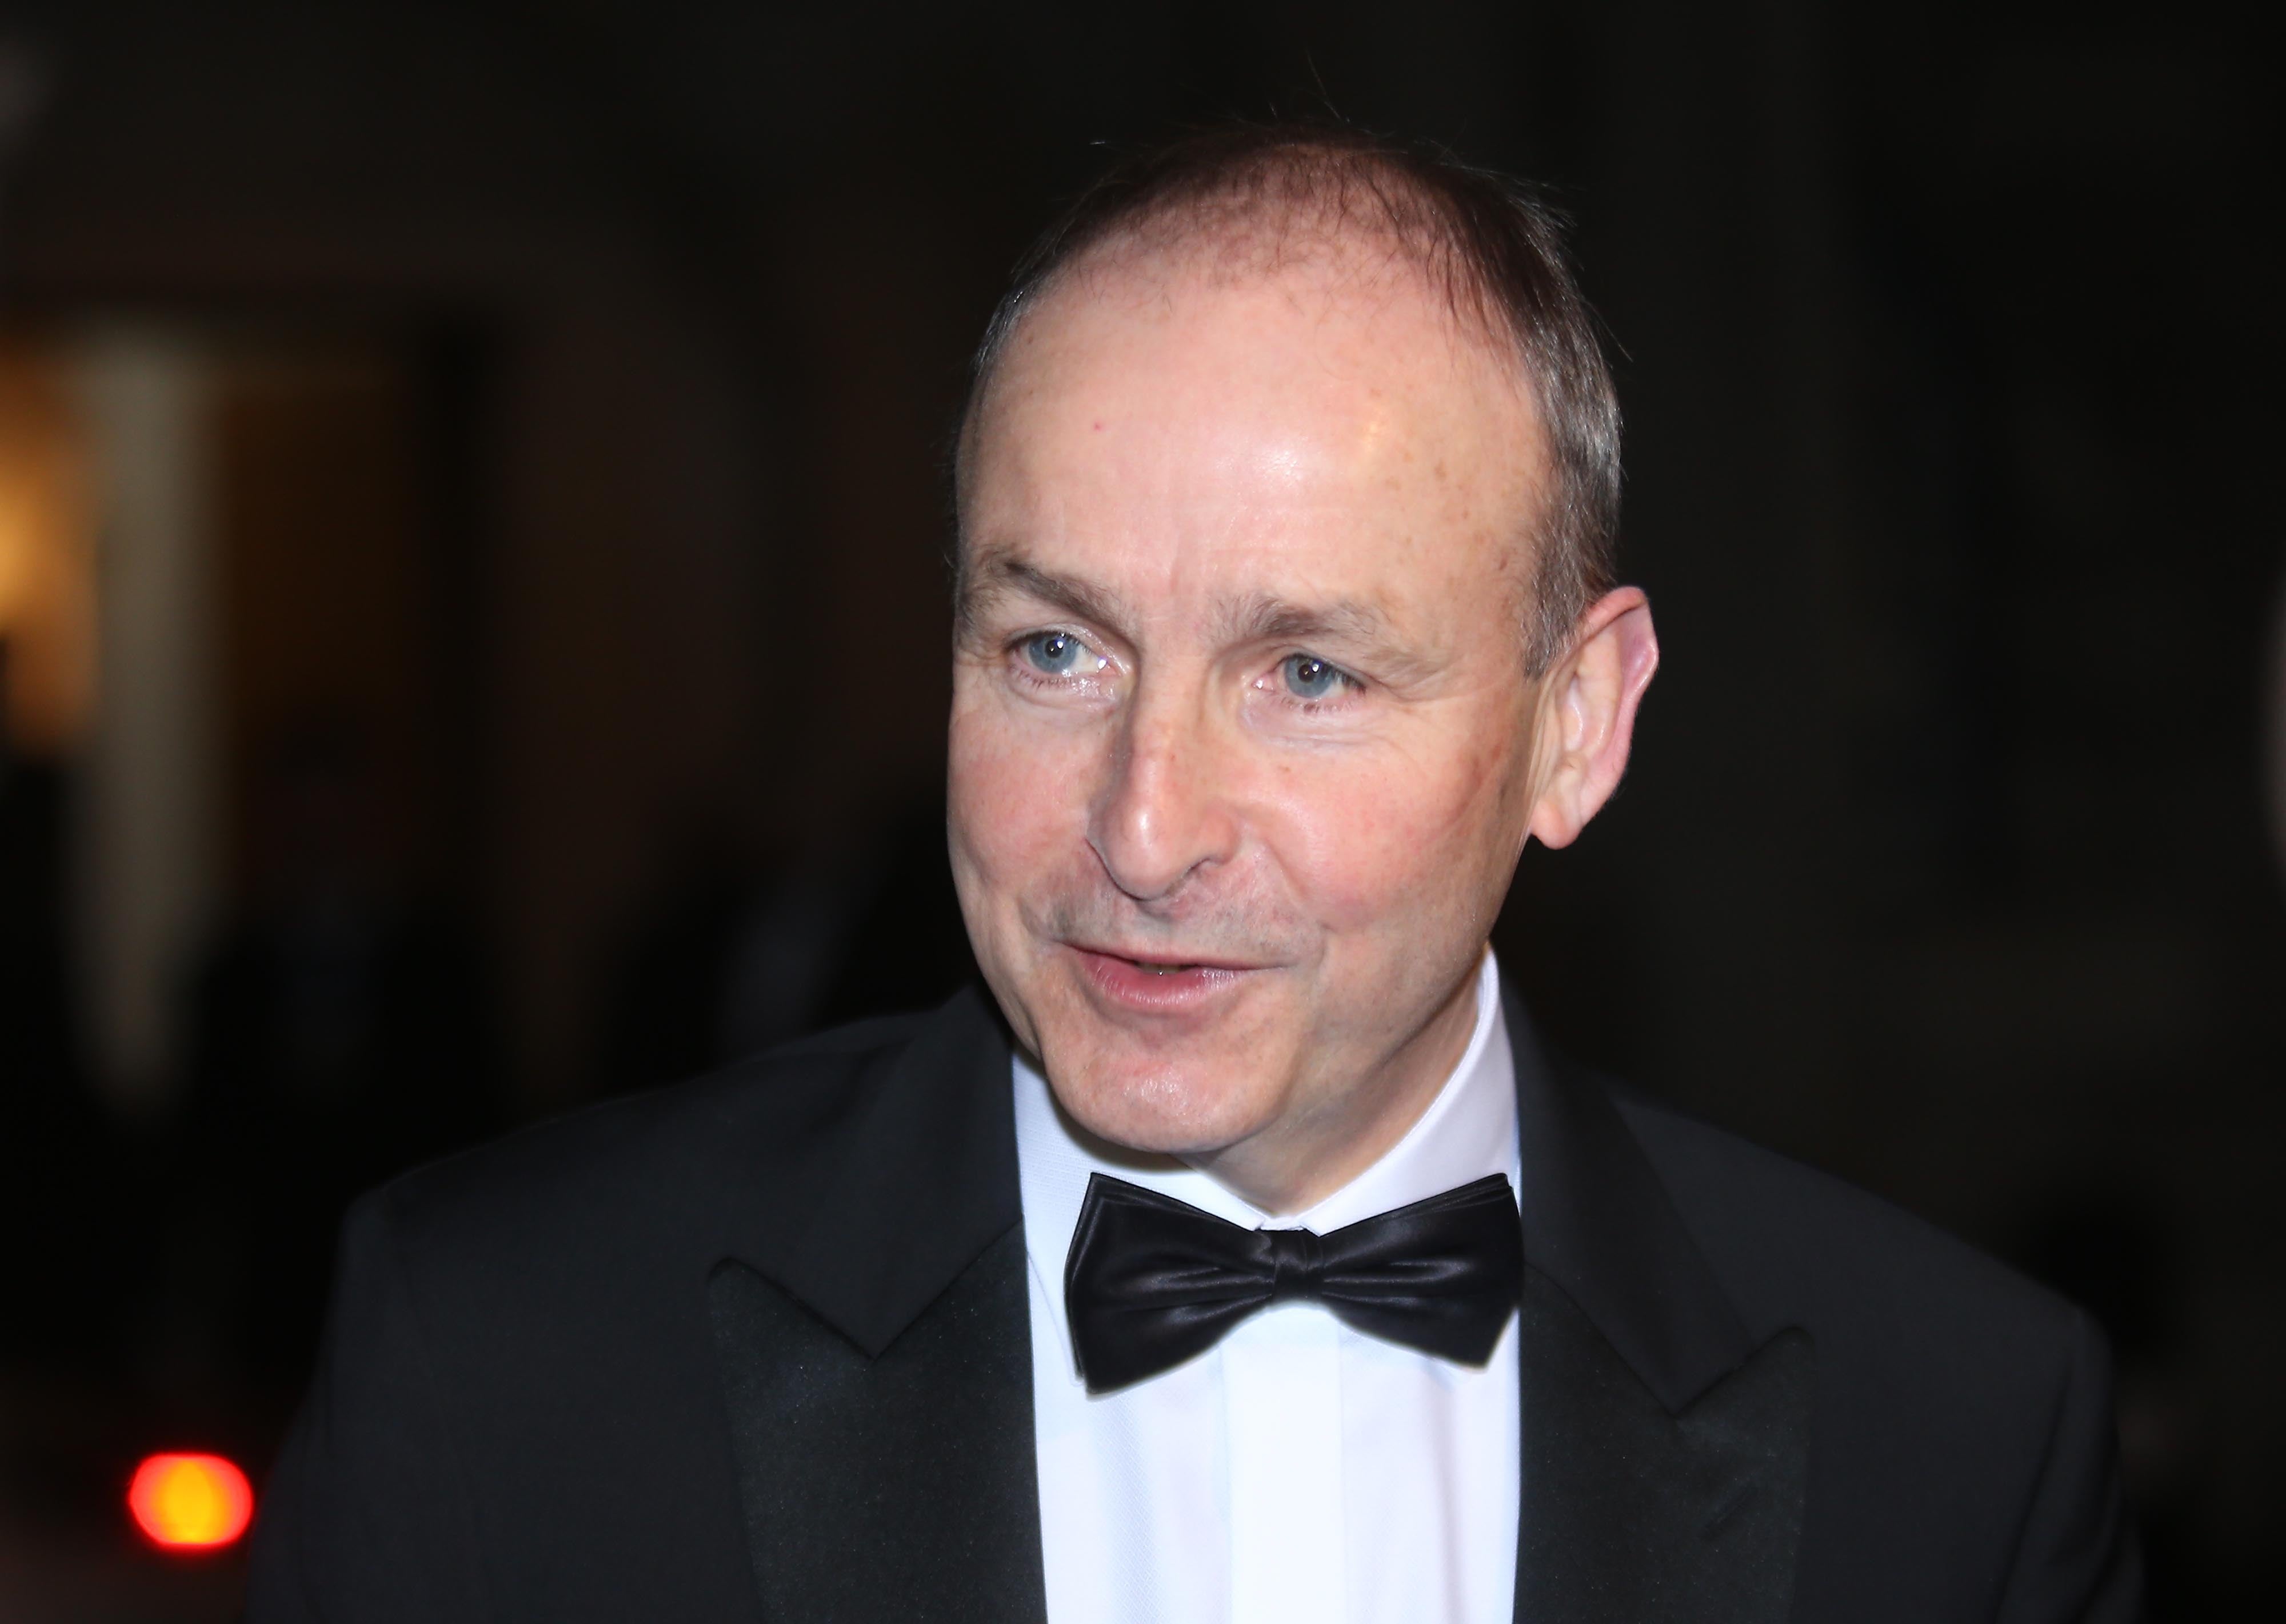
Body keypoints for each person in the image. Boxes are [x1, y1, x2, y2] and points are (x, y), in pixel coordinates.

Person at [247, 124, 2141, 1623]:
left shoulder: (1956, 1438)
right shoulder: (505, 1364)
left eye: (1307, 673)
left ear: (1578, 724)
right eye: (1055, 650)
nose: (1142, 829)